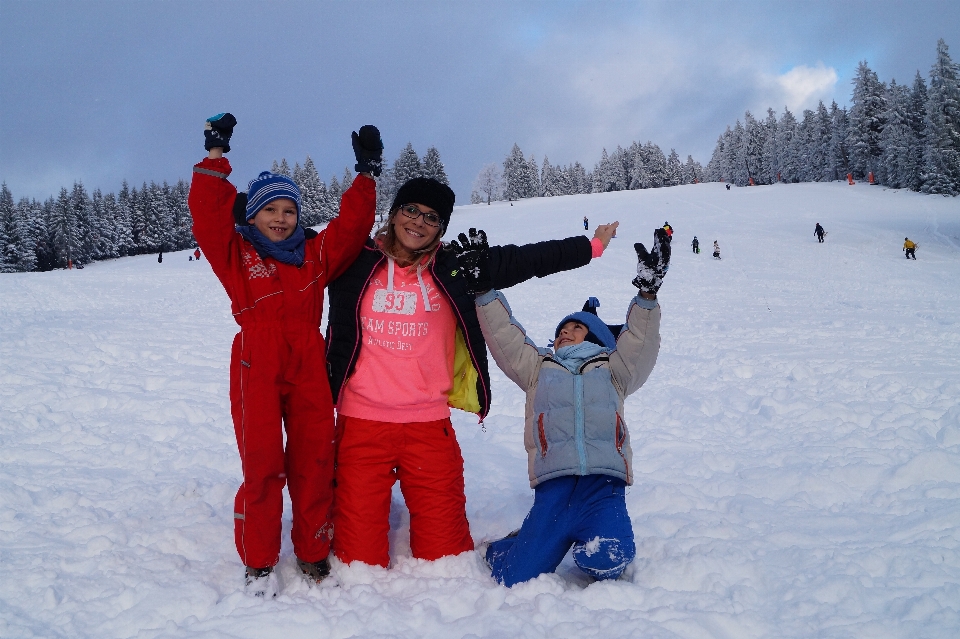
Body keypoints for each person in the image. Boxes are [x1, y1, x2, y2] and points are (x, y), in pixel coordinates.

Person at [325, 182, 620, 569]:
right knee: (357, 561)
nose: (418, 222)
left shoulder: (456, 266)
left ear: (442, 227)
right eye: (410, 210)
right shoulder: (354, 260)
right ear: (394, 212)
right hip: (360, 424)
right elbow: (295, 244)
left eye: (432, 217)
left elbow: (527, 259)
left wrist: (592, 247)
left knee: (445, 556)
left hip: (428, 426)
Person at [188, 112, 381, 596]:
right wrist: (215, 155)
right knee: (263, 461)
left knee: (316, 457)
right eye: (269, 210)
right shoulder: (236, 254)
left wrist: (366, 174)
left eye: (289, 211)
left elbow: (352, 228)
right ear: (250, 216)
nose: (280, 219)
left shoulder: (314, 254)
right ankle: (258, 560)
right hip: (257, 357)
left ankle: (314, 551)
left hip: (308, 359)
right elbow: (208, 215)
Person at [472, 228, 668, 586]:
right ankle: (512, 546)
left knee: (607, 559)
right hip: (554, 490)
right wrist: (484, 292)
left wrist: (647, 295)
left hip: (603, 488)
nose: (565, 332)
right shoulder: (538, 366)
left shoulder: (614, 368)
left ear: (594, 337)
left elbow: (640, 342)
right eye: (562, 328)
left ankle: (578, 538)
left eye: (576, 328)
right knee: (514, 577)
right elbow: (506, 337)